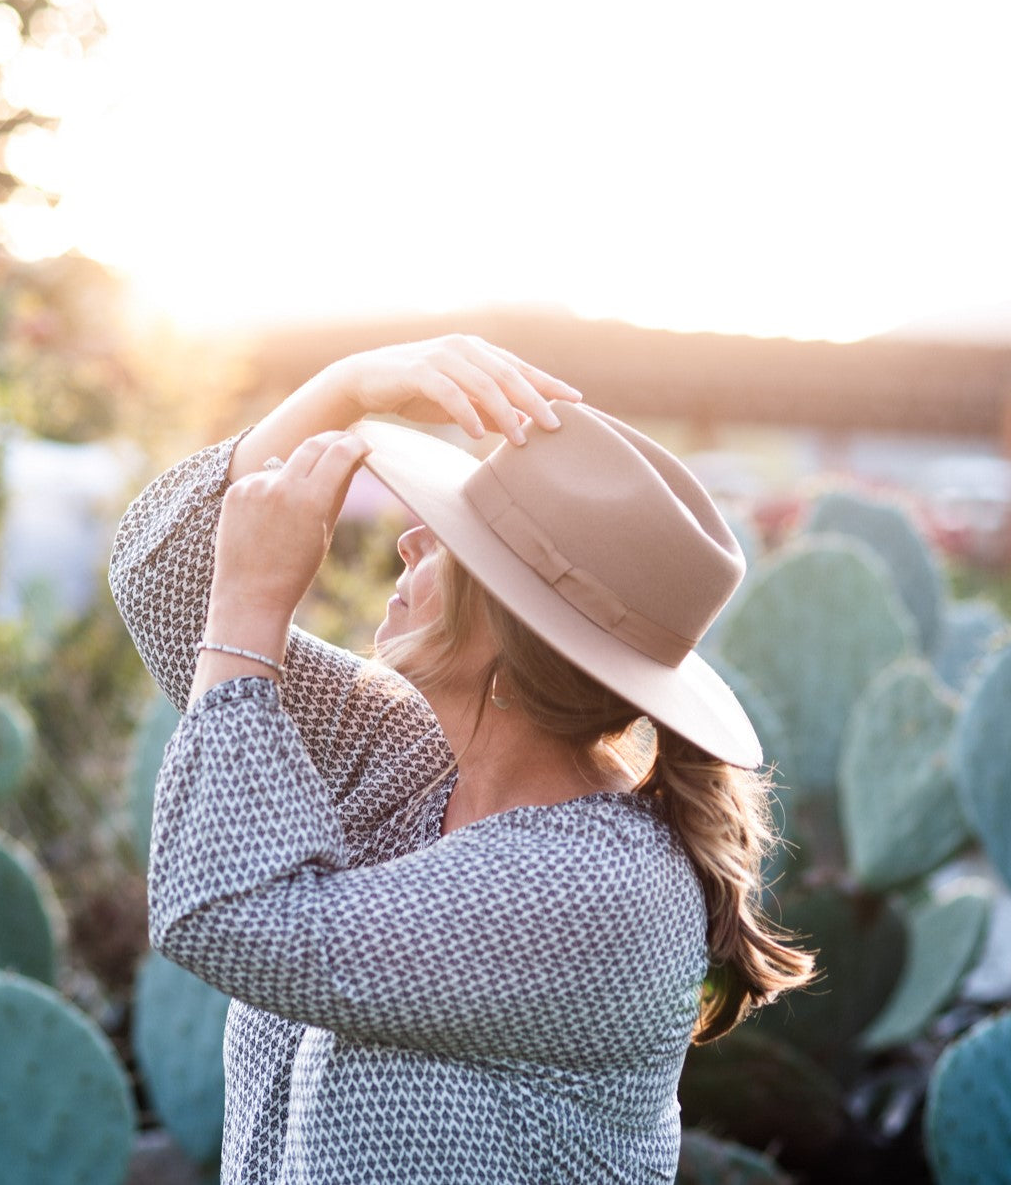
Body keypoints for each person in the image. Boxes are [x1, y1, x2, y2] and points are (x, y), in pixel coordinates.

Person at [109, 334, 815, 1184]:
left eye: (451, 542)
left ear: (514, 634)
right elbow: (167, 585)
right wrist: (347, 387)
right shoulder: (407, 756)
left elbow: (230, 916)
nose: (410, 542)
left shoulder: (598, 884)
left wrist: (254, 603)